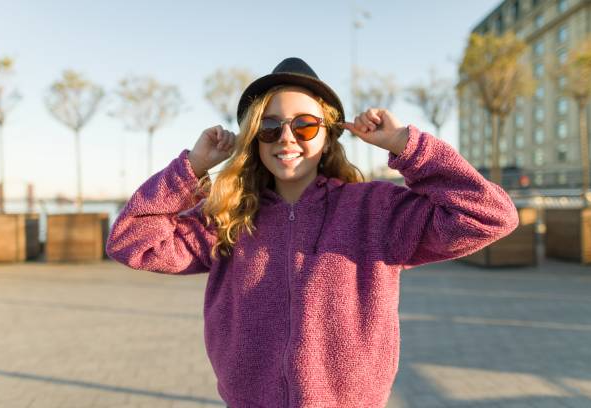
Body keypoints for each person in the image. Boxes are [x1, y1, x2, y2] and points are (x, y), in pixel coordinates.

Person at [106, 57, 519, 408]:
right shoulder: (227, 216)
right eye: (269, 127)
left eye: (304, 126)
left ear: (328, 132)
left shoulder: (375, 210)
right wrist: (192, 167)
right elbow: (130, 239)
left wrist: (406, 145)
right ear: (254, 139)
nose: (286, 138)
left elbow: (491, 214)